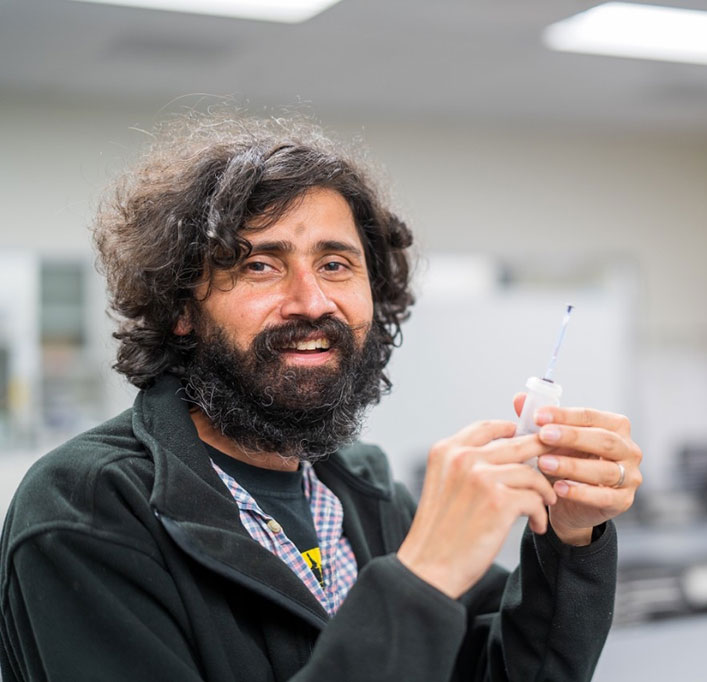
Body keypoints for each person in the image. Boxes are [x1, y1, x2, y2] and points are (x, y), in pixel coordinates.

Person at [0, 110, 643, 681]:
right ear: (181, 308)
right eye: (260, 265)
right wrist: (417, 584)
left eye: (335, 263)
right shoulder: (87, 512)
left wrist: (571, 538)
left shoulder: (368, 496)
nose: (312, 301)